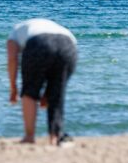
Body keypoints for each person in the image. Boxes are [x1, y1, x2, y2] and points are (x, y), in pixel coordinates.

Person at [7, 18, 78, 146]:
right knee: (57, 94)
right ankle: (55, 137)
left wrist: (13, 88)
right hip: (69, 44)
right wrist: (48, 93)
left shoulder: (14, 32)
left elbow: (12, 58)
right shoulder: (52, 26)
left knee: (29, 91)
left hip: (39, 42)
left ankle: (29, 137)